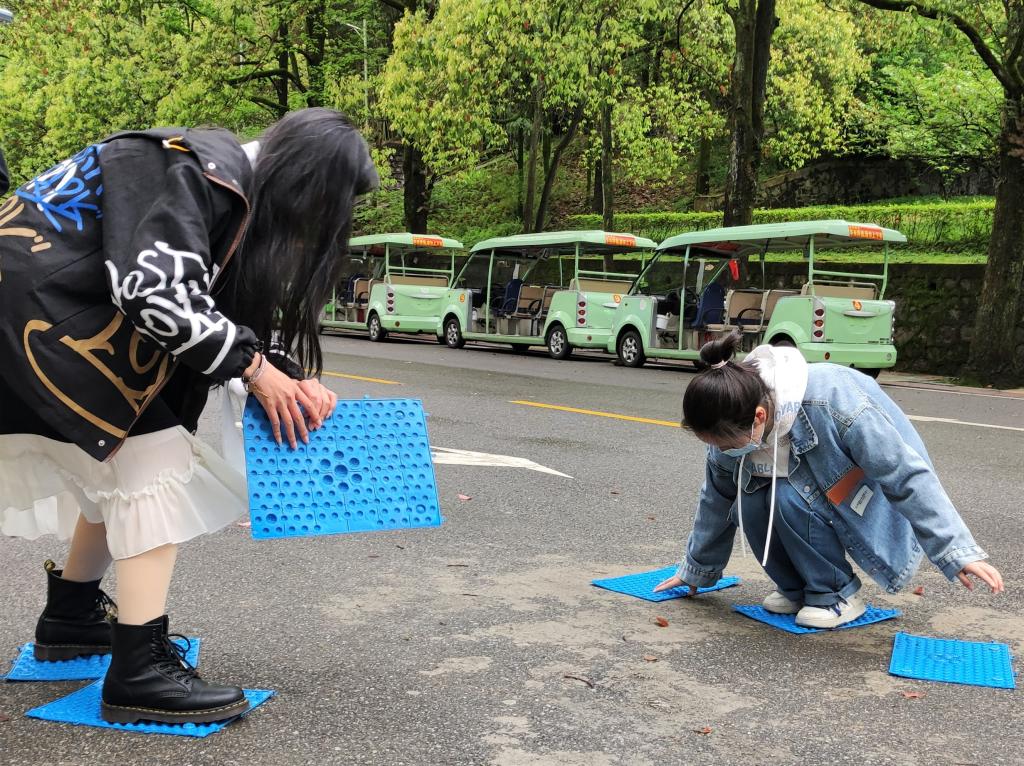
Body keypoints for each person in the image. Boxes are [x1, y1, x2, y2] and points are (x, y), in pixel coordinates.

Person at [0, 108, 379, 723]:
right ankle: (139, 672)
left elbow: (208, 306)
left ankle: (70, 615)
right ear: (307, 186)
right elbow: (152, 291)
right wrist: (256, 370)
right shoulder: (193, 169)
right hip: (34, 320)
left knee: (116, 461)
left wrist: (278, 371)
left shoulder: (216, 182)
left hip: (35, 319)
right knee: (152, 459)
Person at [654, 332, 1004, 628]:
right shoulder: (730, 412)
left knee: (788, 497)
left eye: (726, 446)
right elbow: (716, 499)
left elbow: (905, 473)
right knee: (750, 499)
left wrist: (955, 551)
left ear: (759, 417)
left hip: (865, 487)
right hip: (815, 489)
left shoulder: (833, 400)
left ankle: (836, 594)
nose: (722, 452)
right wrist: (696, 570)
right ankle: (796, 589)